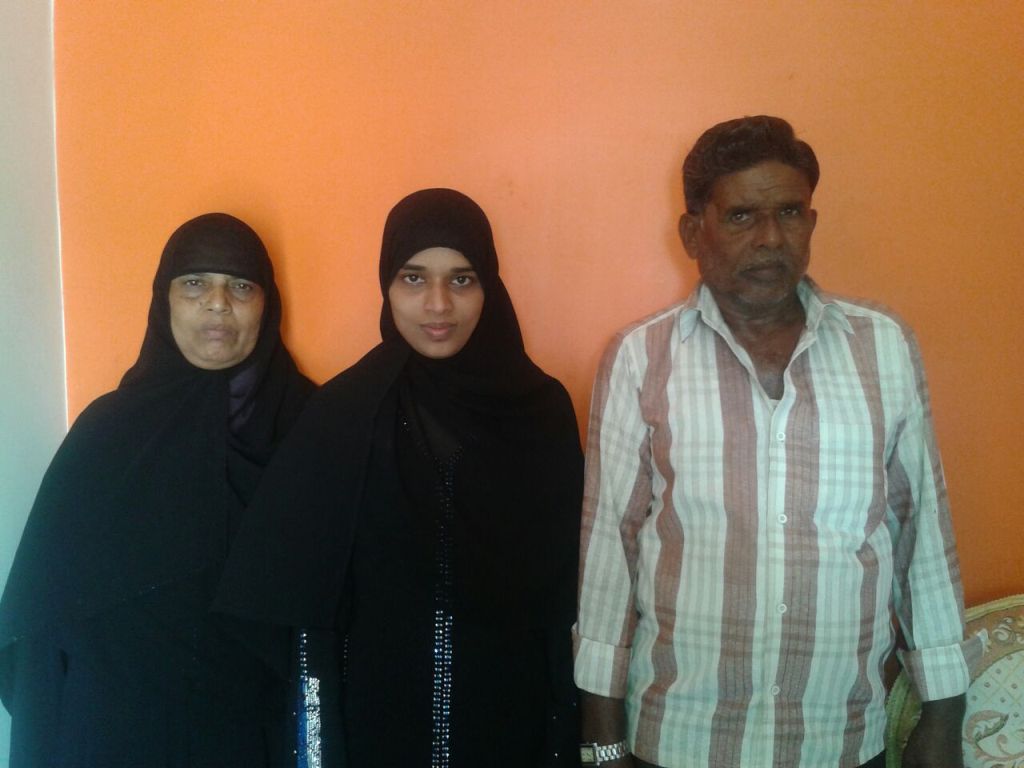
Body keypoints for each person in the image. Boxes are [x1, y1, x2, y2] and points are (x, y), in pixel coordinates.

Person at [573, 116, 980, 768]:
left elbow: (921, 537)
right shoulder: (640, 358)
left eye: (789, 212)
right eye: (741, 216)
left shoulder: (883, 348)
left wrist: (943, 712)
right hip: (681, 738)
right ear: (693, 233)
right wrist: (602, 740)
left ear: (811, 222)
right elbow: (607, 557)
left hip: (839, 739)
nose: (769, 238)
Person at [215, 188, 583, 768]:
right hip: (375, 723)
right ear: (386, 285)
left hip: (511, 720)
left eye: (461, 279)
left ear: (489, 285)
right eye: (413, 278)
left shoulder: (539, 413)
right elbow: (293, 596)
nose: (438, 305)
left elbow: (564, 597)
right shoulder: (342, 414)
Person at [0, 213, 315, 767]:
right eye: (194, 283)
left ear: (268, 306)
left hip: (258, 737)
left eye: (241, 286)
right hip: (121, 733)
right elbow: (41, 619)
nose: (218, 304)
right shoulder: (107, 432)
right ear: (163, 300)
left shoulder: (314, 429)